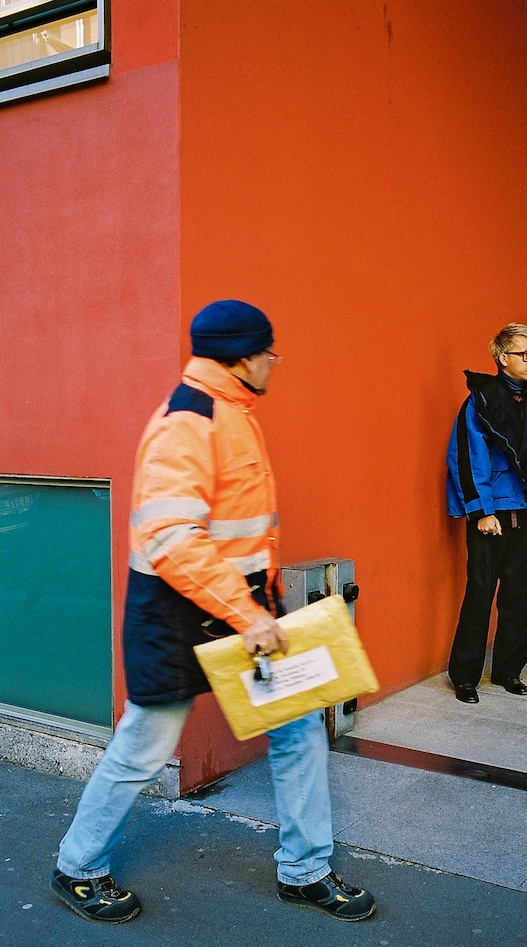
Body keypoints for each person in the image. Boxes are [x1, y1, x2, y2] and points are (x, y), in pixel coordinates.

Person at [50, 300, 376, 924]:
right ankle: (78, 866)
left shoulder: (232, 411)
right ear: (245, 358)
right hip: (178, 612)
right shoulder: (189, 421)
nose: (275, 364)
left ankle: (305, 870)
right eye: (270, 354)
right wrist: (249, 613)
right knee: (144, 749)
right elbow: (174, 538)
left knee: (299, 727)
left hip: (241, 603)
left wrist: (257, 605)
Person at [446, 323, 527, 704]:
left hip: (525, 513)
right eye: (524, 354)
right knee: (480, 593)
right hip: (491, 515)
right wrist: (481, 510)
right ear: (502, 358)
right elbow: (467, 458)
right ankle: (465, 677)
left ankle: (509, 671)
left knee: (521, 596)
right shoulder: (480, 401)